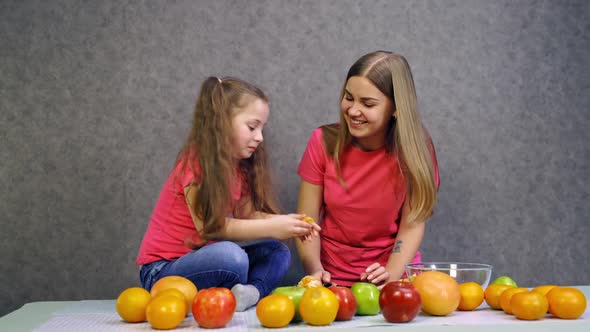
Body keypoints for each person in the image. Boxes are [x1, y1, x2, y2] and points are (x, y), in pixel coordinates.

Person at [136, 77, 320, 311]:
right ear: (222, 122)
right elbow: (212, 228)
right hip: (162, 272)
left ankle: (249, 293)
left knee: (277, 251)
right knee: (232, 257)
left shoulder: (239, 168)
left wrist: (292, 222)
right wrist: (275, 227)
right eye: (252, 127)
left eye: (262, 128)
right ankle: (231, 290)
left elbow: (249, 215)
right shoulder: (195, 162)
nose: (260, 137)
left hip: (209, 263)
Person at [295, 51, 440, 289]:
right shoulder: (322, 142)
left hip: (393, 279)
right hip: (333, 282)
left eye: (368, 103)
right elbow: (306, 223)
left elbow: (412, 225)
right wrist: (315, 272)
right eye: (349, 97)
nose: (353, 110)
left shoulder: (416, 149)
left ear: (396, 108)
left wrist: (391, 274)